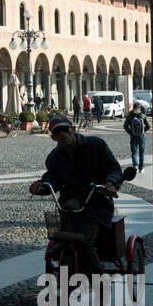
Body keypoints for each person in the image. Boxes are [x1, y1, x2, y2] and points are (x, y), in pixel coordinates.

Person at [28, 115, 122, 277]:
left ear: (72, 129)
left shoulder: (96, 145)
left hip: (97, 204)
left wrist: (110, 183)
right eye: (57, 133)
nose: (62, 134)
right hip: (72, 205)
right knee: (69, 210)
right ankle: (65, 247)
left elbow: (113, 168)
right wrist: (41, 187)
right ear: (53, 137)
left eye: (64, 129)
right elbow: (53, 178)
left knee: (85, 241)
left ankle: (100, 283)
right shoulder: (54, 158)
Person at [125, 103, 149, 172]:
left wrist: (130, 132)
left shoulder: (130, 116)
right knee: (141, 153)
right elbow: (149, 126)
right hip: (141, 136)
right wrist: (144, 131)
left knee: (134, 152)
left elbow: (125, 126)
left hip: (133, 136)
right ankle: (141, 168)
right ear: (140, 108)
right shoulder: (143, 116)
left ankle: (135, 165)